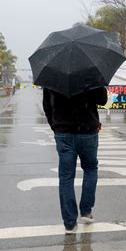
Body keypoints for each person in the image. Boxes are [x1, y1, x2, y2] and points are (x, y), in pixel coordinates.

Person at [43, 86, 107, 234]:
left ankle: (70, 223)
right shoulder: (91, 73)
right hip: (88, 130)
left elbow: (47, 105)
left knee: (66, 177)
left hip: (63, 131)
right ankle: (86, 211)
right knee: (90, 169)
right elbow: (102, 100)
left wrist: (56, 127)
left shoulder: (53, 75)